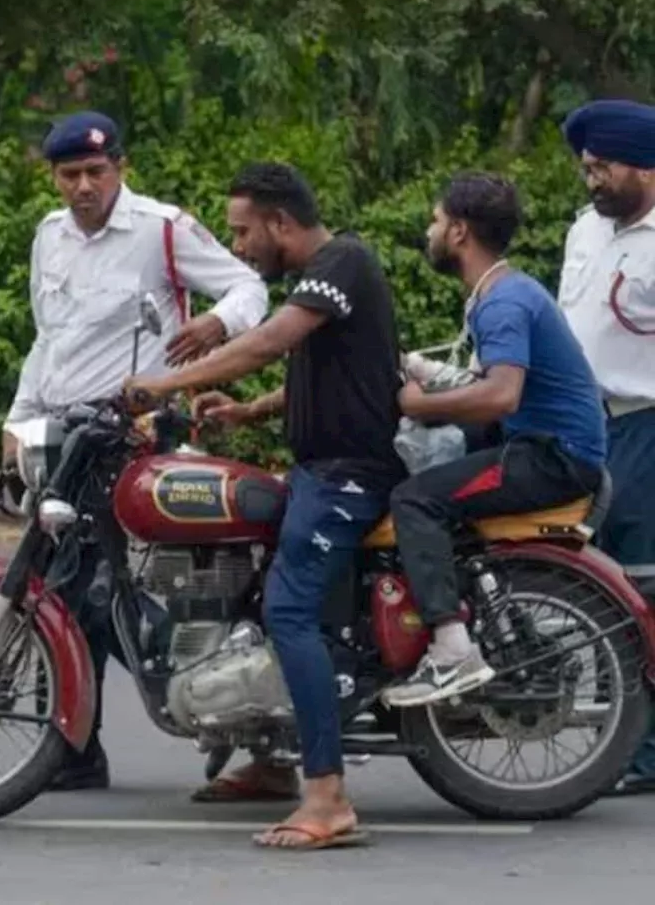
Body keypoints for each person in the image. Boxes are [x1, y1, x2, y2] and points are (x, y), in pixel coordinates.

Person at [123, 161, 404, 850]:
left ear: (282, 222)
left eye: (245, 232)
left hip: (348, 478)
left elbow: (270, 341)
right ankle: (271, 760)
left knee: (287, 609)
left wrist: (166, 383)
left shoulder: (342, 261)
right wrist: (248, 411)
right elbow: (335, 373)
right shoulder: (330, 276)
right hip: (320, 470)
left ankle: (328, 797)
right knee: (251, 588)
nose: (241, 246)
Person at [4, 110, 269, 790]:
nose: (85, 185)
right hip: (66, 438)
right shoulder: (48, 239)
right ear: (55, 178)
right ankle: (82, 742)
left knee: (88, 588)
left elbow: (250, 287)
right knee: (69, 587)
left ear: (120, 167)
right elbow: (48, 338)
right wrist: (19, 417)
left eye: (97, 171)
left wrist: (213, 323)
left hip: (135, 436)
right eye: (71, 174)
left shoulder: (162, 229)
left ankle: (117, 727)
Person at [381, 173, 606, 708]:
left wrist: (418, 404)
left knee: (414, 500)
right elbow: (483, 386)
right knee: (425, 455)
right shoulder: (507, 290)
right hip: (547, 442)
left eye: (436, 221)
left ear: (459, 232)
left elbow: (500, 395)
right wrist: (418, 369)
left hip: (553, 457)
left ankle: (453, 647)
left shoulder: (502, 302)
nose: (430, 231)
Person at [553, 99, 655, 794]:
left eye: (605, 168)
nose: (593, 182)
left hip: (645, 423)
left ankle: (646, 751)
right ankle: (623, 731)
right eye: (587, 169)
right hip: (583, 425)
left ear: (645, 168)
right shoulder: (585, 230)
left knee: (644, 582)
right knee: (600, 580)